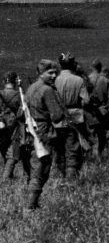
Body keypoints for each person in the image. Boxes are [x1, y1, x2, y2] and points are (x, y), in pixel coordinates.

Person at [24, 60, 64, 210]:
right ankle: (31, 205)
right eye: (50, 73)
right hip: (45, 132)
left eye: (55, 72)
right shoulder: (47, 90)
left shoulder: (30, 88)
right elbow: (57, 116)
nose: (54, 76)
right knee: (42, 168)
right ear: (41, 73)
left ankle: (33, 203)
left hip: (32, 130)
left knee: (37, 167)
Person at [54, 53, 90, 179]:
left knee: (59, 148)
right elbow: (86, 101)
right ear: (73, 64)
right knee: (73, 147)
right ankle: (70, 177)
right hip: (75, 117)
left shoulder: (54, 79)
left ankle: (60, 175)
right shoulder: (79, 80)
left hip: (57, 118)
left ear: (60, 64)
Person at [1, 72, 29, 182]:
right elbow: (23, 112)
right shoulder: (19, 95)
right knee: (12, 155)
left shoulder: (1, 93)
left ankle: (8, 177)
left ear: (4, 81)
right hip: (15, 128)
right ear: (15, 82)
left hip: (2, 127)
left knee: (4, 151)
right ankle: (6, 179)